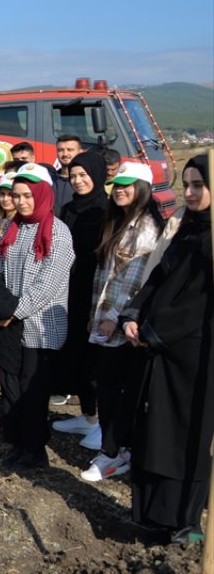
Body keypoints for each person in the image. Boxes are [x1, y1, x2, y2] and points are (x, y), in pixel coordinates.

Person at [119, 155, 211, 543]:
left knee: (185, 439)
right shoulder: (186, 229)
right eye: (185, 184)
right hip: (161, 354)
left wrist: (155, 332)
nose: (188, 192)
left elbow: (199, 303)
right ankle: (155, 515)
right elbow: (158, 277)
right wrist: (133, 313)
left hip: (195, 358)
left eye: (198, 185)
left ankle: (185, 520)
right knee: (156, 433)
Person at [0, 163, 76, 469]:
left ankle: (35, 449)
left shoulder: (58, 233)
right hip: (8, 323)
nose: (21, 201)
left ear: (41, 194)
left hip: (39, 326)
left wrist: (13, 312)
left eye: (26, 195)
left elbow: (47, 285)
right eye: (16, 195)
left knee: (33, 392)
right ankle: (17, 441)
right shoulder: (13, 228)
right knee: (11, 385)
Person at [78, 162, 162, 482]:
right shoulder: (120, 223)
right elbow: (106, 276)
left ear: (143, 188)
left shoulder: (145, 228)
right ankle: (116, 447)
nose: (119, 190)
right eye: (117, 185)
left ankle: (115, 452)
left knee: (113, 387)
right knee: (106, 384)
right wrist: (95, 316)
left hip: (123, 325)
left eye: (128, 185)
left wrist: (114, 317)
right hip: (105, 321)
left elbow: (138, 280)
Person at [50, 151, 110, 448]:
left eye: (83, 175)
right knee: (74, 352)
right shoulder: (70, 208)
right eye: (73, 176)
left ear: (97, 175)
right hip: (68, 289)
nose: (78, 181)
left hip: (92, 292)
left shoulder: (105, 209)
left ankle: (101, 421)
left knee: (93, 357)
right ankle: (87, 415)